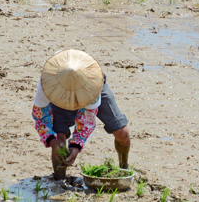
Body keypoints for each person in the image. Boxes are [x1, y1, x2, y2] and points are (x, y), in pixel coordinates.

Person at [33, 49, 131, 179]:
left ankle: (123, 170)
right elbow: (40, 117)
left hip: (90, 87)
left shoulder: (92, 86)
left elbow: (86, 121)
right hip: (59, 96)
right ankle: (58, 181)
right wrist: (51, 141)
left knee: (122, 133)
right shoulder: (48, 84)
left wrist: (76, 146)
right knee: (59, 140)